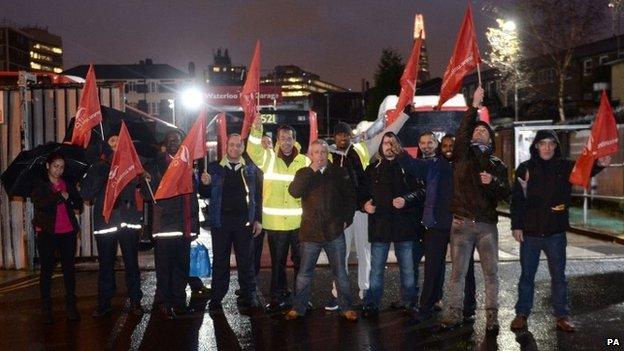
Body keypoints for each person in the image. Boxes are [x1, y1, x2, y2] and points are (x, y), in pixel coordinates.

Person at [509, 130, 611, 332]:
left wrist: (600, 164)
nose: (547, 147)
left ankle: (562, 315)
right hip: (530, 233)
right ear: (536, 146)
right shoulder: (525, 168)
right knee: (527, 276)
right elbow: (517, 200)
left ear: (555, 146)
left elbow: (585, 170)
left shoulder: (565, 166)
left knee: (559, 276)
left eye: (551, 144)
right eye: (543, 143)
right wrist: (517, 225)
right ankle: (522, 314)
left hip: (556, 232)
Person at [439, 86, 510, 334]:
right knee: (457, 273)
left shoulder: (498, 165)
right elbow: (462, 131)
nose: (480, 132)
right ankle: (453, 313)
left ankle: (492, 318)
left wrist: (494, 183)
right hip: (461, 224)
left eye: (484, 131)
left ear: (490, 139)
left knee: (491, 274)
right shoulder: (462, 155)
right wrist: (474, 107)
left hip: (487, 226)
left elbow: (506, 195)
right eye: (476, 130)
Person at [404, 134, 477, 323]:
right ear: (440, 147)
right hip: (436, 225)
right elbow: (413, 166)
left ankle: (469, 308)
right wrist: (399, 152)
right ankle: (426, 307)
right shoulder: (434, 165)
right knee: (432, 269)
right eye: (444, 145)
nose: (448, 148)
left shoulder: (466, 165)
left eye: (451, 145)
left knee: (465, 269)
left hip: (461, 225)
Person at [285, 139, 358, 321]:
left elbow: (350, 198)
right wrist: (311, 171)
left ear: (328, 154)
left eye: (323, 152)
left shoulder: (339, 173)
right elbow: (294, 192)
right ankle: (298, 308)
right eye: (316, 152)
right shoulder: (304, 172)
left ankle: (346, 307)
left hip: (334, 232)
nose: (319, 156)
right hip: (310, 233)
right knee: (304, 273)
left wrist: (346, 220)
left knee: (340, 273)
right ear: (310, 155)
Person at [246, 114, 310, 313]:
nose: (286, 142)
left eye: (289, 138)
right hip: (275, 225)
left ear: (295, 139)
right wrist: (256, 130)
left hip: (299, 223)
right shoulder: (268, 158)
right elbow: (252, 150)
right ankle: (277, 297)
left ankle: (301, 299)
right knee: (278, 264)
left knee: (301, 264)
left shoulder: (304, 161)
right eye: (282, 138)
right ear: (277, 140)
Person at [146, 131, 210, 319]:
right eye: (171, 139)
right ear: (165, 143)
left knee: (181, 267)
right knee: (164, 268)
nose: (174, 142)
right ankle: (164, 303)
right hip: (164, 226)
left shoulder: (188, 164)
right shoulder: (155, 164)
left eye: (178, 140)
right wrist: (145, 180)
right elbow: (146, 195)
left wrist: (194, 226)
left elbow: (193, 197)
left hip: (184, 224)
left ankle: (179, 302)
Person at [361, 132, 425, 318]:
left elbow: (422, 191)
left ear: (399, 145)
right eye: (385, 143)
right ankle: (372, 302)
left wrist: (406, 200)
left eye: (393, 142)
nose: (389, 145)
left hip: (404, 227)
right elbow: (361, 193)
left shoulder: (408, 166)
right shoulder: (372, 169)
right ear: (381, 147)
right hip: (379, 227)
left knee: (407, 269)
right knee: (377, 269)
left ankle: (410, 301)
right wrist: (364, 205)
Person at [80, 133, 144, 317]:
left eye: (119, 139)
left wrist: (139, 176)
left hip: (128, 222)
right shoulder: (98, 166)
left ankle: (135, 301)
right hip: (106, 224)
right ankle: (104, 302)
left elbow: (141, 192)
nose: (116, 142)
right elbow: (86, 193)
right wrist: (103, 173)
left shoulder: (132, 165)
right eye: (112, 140)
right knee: (106, 265)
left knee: (132, 264)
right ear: (106, 144)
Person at [203, 134, 263, 313]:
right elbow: (203, 191)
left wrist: (258, 219)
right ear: (226, 147)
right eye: (231, 145)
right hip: (220, 222)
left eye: (238, 145)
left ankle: (249, 294)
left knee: (246, 260)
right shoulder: (213, 168)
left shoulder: (251, 169)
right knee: (220, 261)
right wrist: (205, 183)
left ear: (243, 148)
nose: (235, 148)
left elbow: (258, 196)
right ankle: (217, 296)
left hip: (244, 222)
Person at [32, 152, 83, 324]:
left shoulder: (67, 183)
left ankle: (71, 306)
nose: (58, 170)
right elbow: (41, 204)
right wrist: (59, 195)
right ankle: (46, 308)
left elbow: (78, 205)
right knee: (47, 270)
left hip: (67, 232)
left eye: (61, 167)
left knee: (69, 269)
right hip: (47, 233)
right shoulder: (40, 184)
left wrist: (70, 197)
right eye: (55, 166)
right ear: (48, 166)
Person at [325, 122, 370, 311]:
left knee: (364, 252)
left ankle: (365, 292)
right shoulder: (328, 155)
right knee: (340, 254)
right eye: (339, 135)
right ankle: (338, 293)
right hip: (340, 213)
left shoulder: (360, 151)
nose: (343, 138)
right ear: (334, 137)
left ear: (351, 136)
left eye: (346, 135)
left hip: (360, 211)